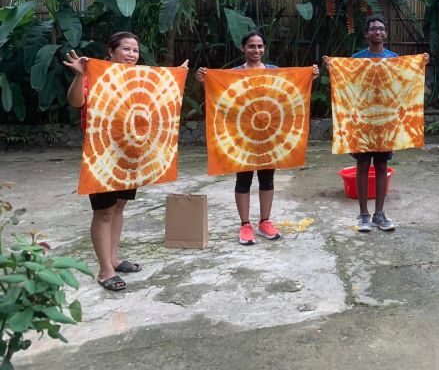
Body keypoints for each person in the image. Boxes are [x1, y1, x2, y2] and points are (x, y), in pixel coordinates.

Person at [64, 32, 189, 291]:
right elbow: (77, 102)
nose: (132, 54)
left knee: (119, 208)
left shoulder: (138, 78)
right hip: (102, 154)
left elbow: (157, 101)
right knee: (104, 211)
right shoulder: (96, 73)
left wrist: (176, 77)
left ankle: (113, 258)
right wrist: (80, 74)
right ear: (111, 51)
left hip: (131, 154)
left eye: (135, 50)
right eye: (126, 49)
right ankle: (104, 270)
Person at [197, 31, 319, 246]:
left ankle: (265, 221)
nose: (256, 50)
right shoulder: (234, 73)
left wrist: (310, 75)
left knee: (267, 179)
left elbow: (287, 95)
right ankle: (245, 225)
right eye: (251, 46)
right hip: (242, 136)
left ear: (264, 48)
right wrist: (204, 80)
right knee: (243, 180)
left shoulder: (274, 71)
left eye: (260, 46)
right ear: (243, 48)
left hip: (269, 136)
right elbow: (223, 98)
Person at [323, 14, 429, 233]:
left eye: (381, 29)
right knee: (362, 166)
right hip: (362, 121)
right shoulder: (357, 58)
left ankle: (379, 214)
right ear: (366, 33)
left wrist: (419, 64)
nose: (378, 32)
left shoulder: (394, 59)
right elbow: (349, 83)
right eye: (373, 29)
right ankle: (363, 215)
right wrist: (334, 66)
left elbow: (403, 84)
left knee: (381, 166)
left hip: (386, 122)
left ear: (386, 33)